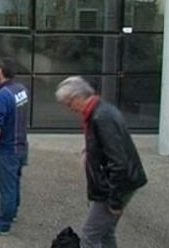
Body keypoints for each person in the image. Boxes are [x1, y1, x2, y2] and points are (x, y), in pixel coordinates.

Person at [55, 76, 147, 248]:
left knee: (89, 237)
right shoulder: (100, 111)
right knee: (105, 232)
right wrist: (89, 150)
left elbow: (118, 162)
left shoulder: (100, 117)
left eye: (69, 104)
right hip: (117, 184)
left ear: (78, 97)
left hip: (112, 187)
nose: (70, 109)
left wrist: (114, 201)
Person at [0, 57, 29, 235]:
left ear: (0, 71)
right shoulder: (21, 90)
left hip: (7, 149)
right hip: (21, 145)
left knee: (6, 188)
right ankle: (12, 213)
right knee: (15, 182)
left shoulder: (2, 96)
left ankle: (2, 225)